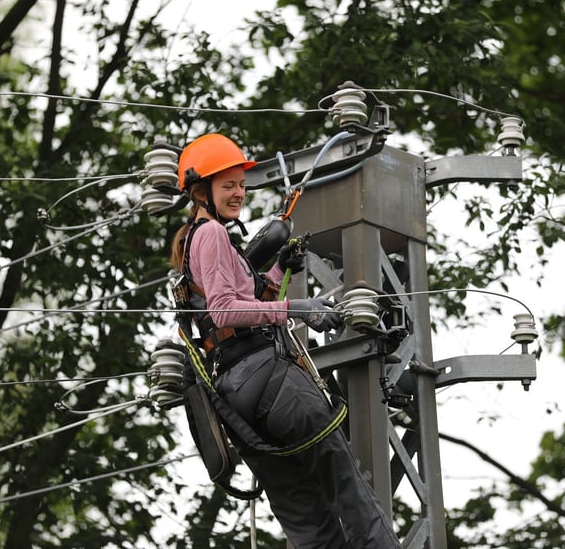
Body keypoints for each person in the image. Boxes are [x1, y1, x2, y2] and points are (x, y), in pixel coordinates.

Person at [169, 132, 401, 549]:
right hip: (271, 381)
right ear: (202, 191)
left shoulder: (194, 242)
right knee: (347, 485)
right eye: (228, 186)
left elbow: (240, 311)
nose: (238, 193)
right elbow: (224, 311)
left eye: (240, 184)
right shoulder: (212, 235)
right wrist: (299, 308)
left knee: (306, 519)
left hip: (239, 400)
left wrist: (279, 271)